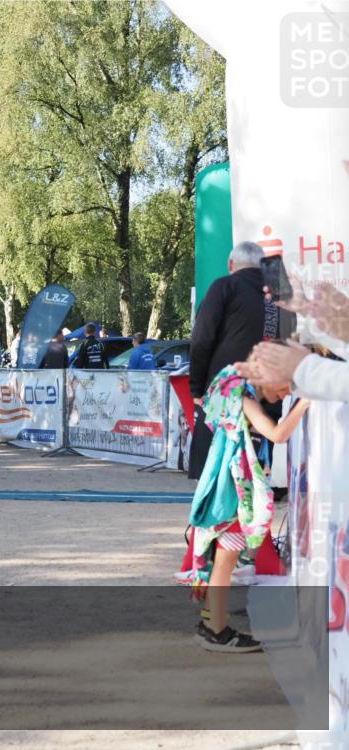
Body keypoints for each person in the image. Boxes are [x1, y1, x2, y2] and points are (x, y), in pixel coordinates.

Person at [187, 362, 309, 652]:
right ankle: (215, 630)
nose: (283, 396)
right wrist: (304, 403)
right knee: (225, 561)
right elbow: (277, 434)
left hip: (227, 489)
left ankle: (213, 624)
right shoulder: (244, 399)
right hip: (232, 492)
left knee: (223, 561)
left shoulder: (233, 393)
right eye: (283, 388)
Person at [188, 241, 279, 480]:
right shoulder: (279, 295)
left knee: (217, 472)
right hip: (270, 395)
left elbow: (202, 339)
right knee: (256, 473)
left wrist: (196, 388)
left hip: (226, 392)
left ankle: (222, 515)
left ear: (231, 264)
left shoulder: (225, 286)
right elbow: (289, 341)